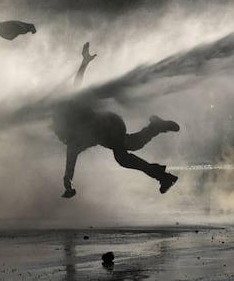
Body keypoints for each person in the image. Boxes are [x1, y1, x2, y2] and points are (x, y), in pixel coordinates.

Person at [52, 43, 179, 198]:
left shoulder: (76, 116)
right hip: (108, 133)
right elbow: (69, 169)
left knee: (123, 157)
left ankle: (161, 171)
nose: (60, 137)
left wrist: (84, 62)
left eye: (59, 132)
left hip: (111, 124)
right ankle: (156, 133)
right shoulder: (73, 145)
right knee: (132, 145)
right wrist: (68, 184)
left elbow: (77, 85)